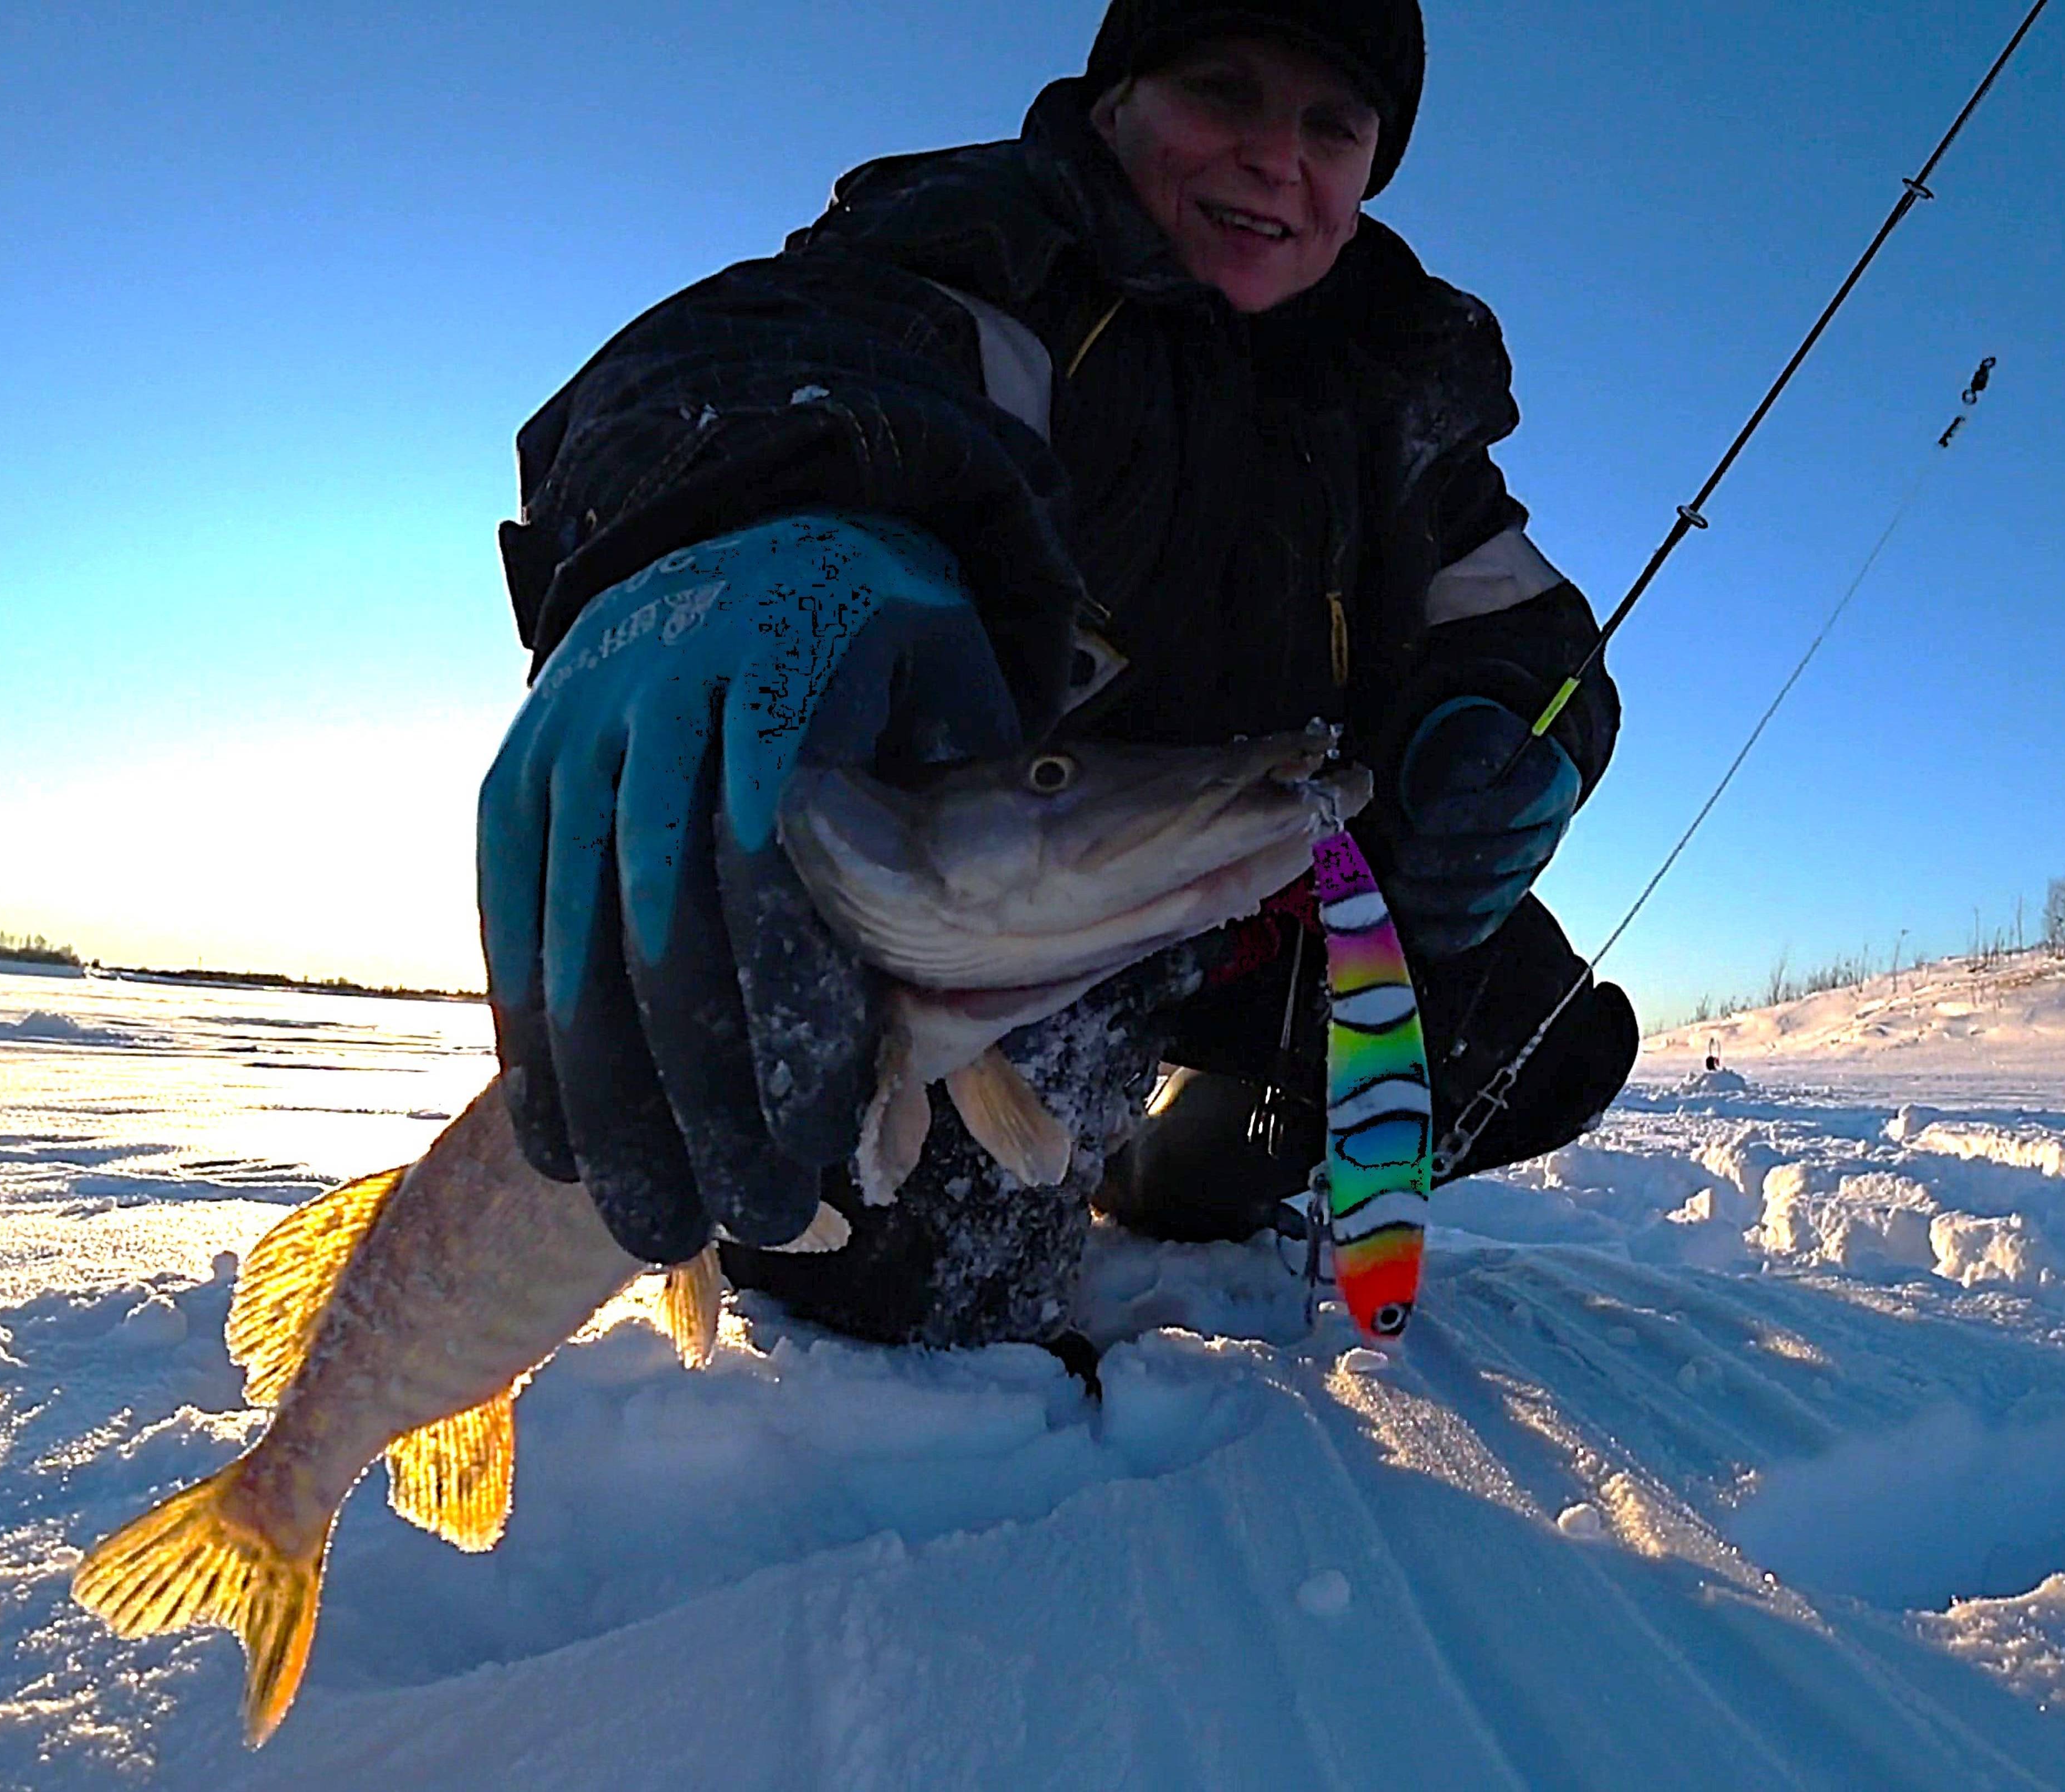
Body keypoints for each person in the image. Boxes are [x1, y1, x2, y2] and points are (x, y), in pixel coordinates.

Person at [476, 0, 1636, 1350]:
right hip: (1017, 922)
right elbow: (778, 360)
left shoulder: (1397, 384)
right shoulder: (995, 259)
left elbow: (1524, 625)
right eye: (1225, 89)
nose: (1279, 159)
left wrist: (1513, 734)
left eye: (1333, 126)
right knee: (917, 1285)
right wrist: (732, 520)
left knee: (1537, 1035)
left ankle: (1191, 1159)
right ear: (1115, 99)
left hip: (1244, 890)